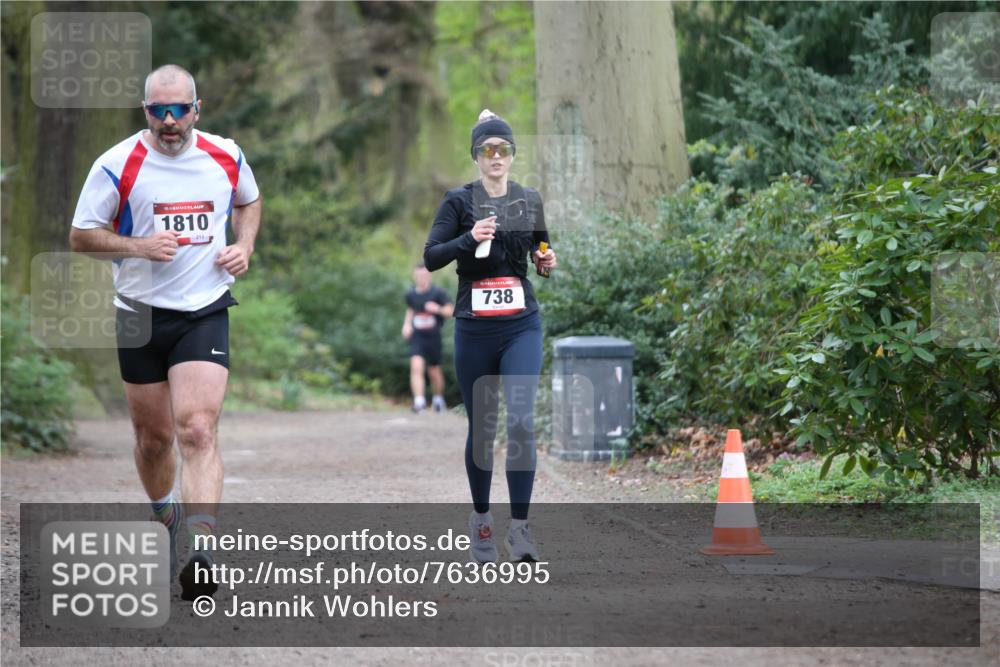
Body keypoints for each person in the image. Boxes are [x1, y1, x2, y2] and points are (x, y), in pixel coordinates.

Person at [68, 64, 261, 600]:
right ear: (145, 111)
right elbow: (81, 236)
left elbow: (249, 200)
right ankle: (165, 515)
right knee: (153, 441)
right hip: (138, 312)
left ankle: (200, 552)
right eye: (159, 110)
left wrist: (243, 247)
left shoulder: (226, 155)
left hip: (204, 307)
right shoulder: (117, 164)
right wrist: (139, 246)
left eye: (179, 109)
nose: (170, 120)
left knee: (197, 429)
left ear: (197, 109)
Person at [423, 109, 557, 563]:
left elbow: (541, 247)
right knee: (483, 429)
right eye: (487, 149)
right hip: (475, 328)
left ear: (512, 155)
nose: (496, 156)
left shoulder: (528, 199)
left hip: (521, 323)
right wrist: (468, 238)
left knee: (520, 421)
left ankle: (520, 529)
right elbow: (431, 256)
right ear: (476, 156)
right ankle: (481, 519)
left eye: (503, 149)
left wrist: (546, 261)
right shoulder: (458, 201)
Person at [402, 262, 453, 413]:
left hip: (433, 337)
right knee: (416, 366)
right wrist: (406, 325)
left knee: (434, 371)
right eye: (419, 275)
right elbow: (411, 309)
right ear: (414, 276)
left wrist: (437, 308)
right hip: (417, 336)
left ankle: (438, 399)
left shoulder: (438, 293)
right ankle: (419, 402)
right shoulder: (411, 294)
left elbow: (450, 311)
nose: (421, 278)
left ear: (429, 275)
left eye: (424, 275)